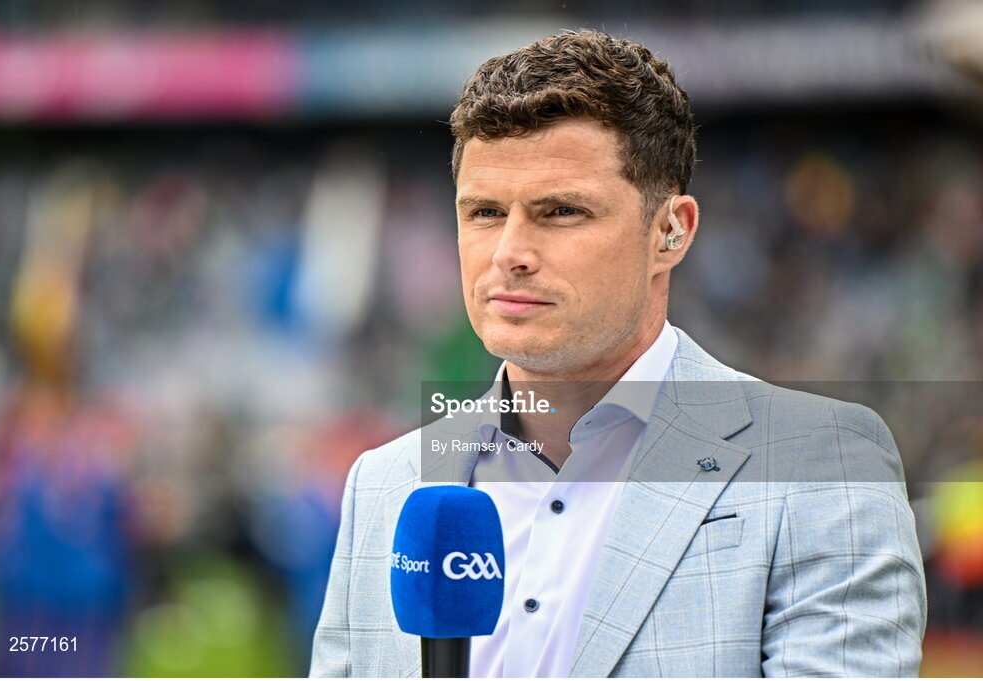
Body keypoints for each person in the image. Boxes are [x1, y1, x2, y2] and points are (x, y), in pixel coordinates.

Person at [310, 29, 926, 677]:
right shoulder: (386, 485)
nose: (509, 252)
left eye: (562, 211)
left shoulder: (820, 464)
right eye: (485, 212)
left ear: (671, 230)